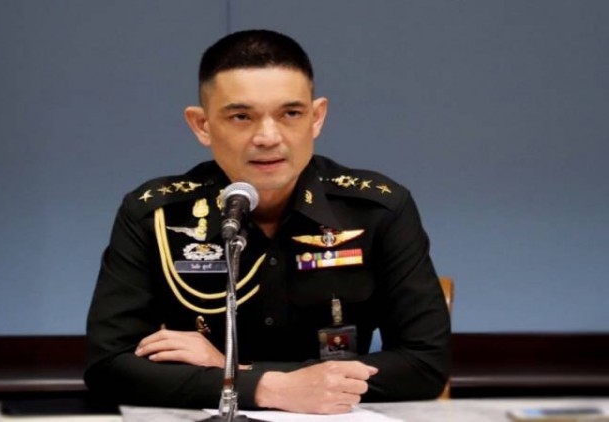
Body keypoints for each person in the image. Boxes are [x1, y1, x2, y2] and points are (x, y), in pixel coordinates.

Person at [85, 29, 450, 415]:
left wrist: (241, 375)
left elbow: (425, 364)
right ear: (202, 125)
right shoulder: (156, 215)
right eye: (241, 116)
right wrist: (273, 387)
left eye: (291, 114)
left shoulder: (377, 210)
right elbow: (108, 366)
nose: (268, 137)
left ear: (317, 117)